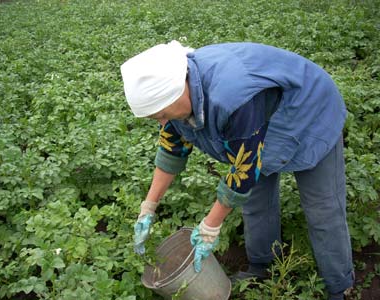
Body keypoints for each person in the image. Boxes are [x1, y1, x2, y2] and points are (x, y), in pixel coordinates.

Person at [120, 41, 354, 300]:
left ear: (178, 90)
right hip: (259, 122)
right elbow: (171, 150)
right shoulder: (175, 103)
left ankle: (339, 286)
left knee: (323, 209)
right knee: (256, 201)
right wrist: (148, 207)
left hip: (310, 111)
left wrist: (210, 226)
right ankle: (263, 266)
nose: (162, 121)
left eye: (162, 113)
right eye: (156, 118)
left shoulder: (232, 97)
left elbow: (244, 168)